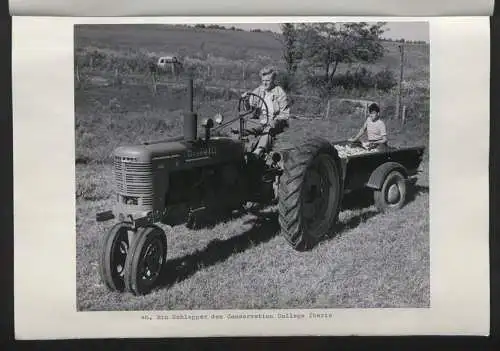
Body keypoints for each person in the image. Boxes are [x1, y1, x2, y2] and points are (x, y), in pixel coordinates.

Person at [243, 66, 290, 157]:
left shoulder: (280, 93)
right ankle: (241, 150)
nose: (265, 83)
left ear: (273, 80)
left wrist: (275, 121)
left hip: (275, 122)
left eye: (267, 80)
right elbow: (250, 109)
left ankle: (258, 152)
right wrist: (246, 100)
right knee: (243, 128)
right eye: (263, 80)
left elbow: (285, 114)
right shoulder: (259, 90)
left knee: (269, 130)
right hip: (261, 120)